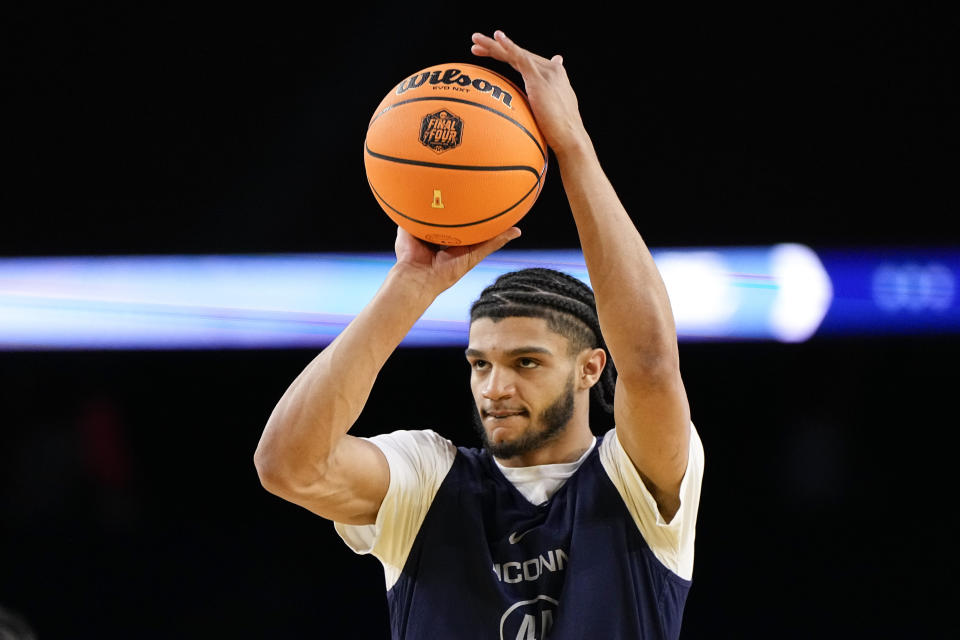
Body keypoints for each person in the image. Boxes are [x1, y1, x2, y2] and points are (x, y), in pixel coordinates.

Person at [255, 30, 704, 640]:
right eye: (480, 364)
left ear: (591, 368)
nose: (495, 386)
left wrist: (571, 147)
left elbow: (650, 362)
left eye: (525, 362)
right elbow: (287, 465)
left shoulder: (637, 478)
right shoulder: (428, 481)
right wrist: (411, 284)